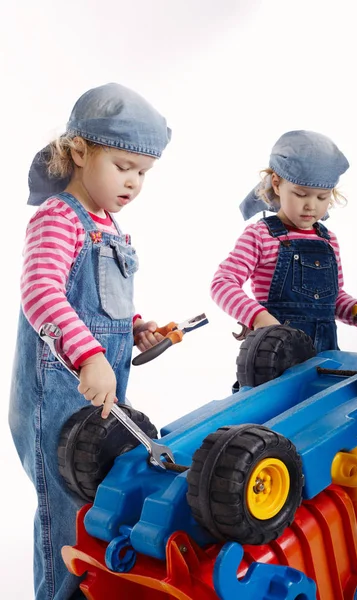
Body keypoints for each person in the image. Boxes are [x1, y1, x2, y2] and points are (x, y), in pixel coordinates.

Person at [9, 82, 171, 599]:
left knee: (97, 506)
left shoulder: (109, 225)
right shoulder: (59, 217)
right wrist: (91, 354)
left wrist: (137, 328)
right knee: (66, 514)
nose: (134, 183)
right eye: (123, 167)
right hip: (56, 402)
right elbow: (40, 291)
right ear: (79, 152)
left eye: (143, 173)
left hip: (98, 402)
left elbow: (99, 302)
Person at [211, 130, 357, 354]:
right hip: (273, 358)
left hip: (325, 357)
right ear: (277, 184)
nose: (311, 206)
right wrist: (258, 317)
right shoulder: (260, 235)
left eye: (322, 197)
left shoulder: (328, 241)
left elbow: (333, 299)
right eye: (300, 194)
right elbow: (222, 283)